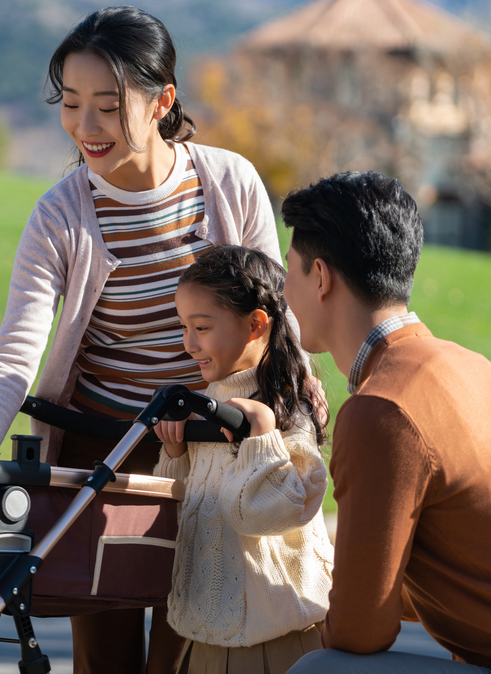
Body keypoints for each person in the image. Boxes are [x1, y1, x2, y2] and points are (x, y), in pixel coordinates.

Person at [0, 6, 284, 674]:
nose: (86, 127)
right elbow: (19, 341)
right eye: (72, 103)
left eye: (109, 106)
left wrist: (282, 420)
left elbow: (274, 323)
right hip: (102, 451)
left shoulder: (229, 183)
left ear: (162, 100)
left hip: (208, 447)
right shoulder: (60, 213)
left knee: (191, 645)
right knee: (104, 656)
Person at [278, 171, 491, 674]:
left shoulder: (382, 409)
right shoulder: (472, 367)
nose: (284, 291)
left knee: (321, 668)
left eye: (288, 271)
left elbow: (359, 633)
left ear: (320, 276)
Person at [152, 245, 334, 674]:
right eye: (183, 327)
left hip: (277, 640)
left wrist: (262, 437)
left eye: (201, 327)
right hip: (207, 634)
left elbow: (267, 514)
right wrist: (176, 453)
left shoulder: (288, 408)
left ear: (255, 325)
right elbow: (183, 512)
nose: (189, 344)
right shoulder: (207, 404)